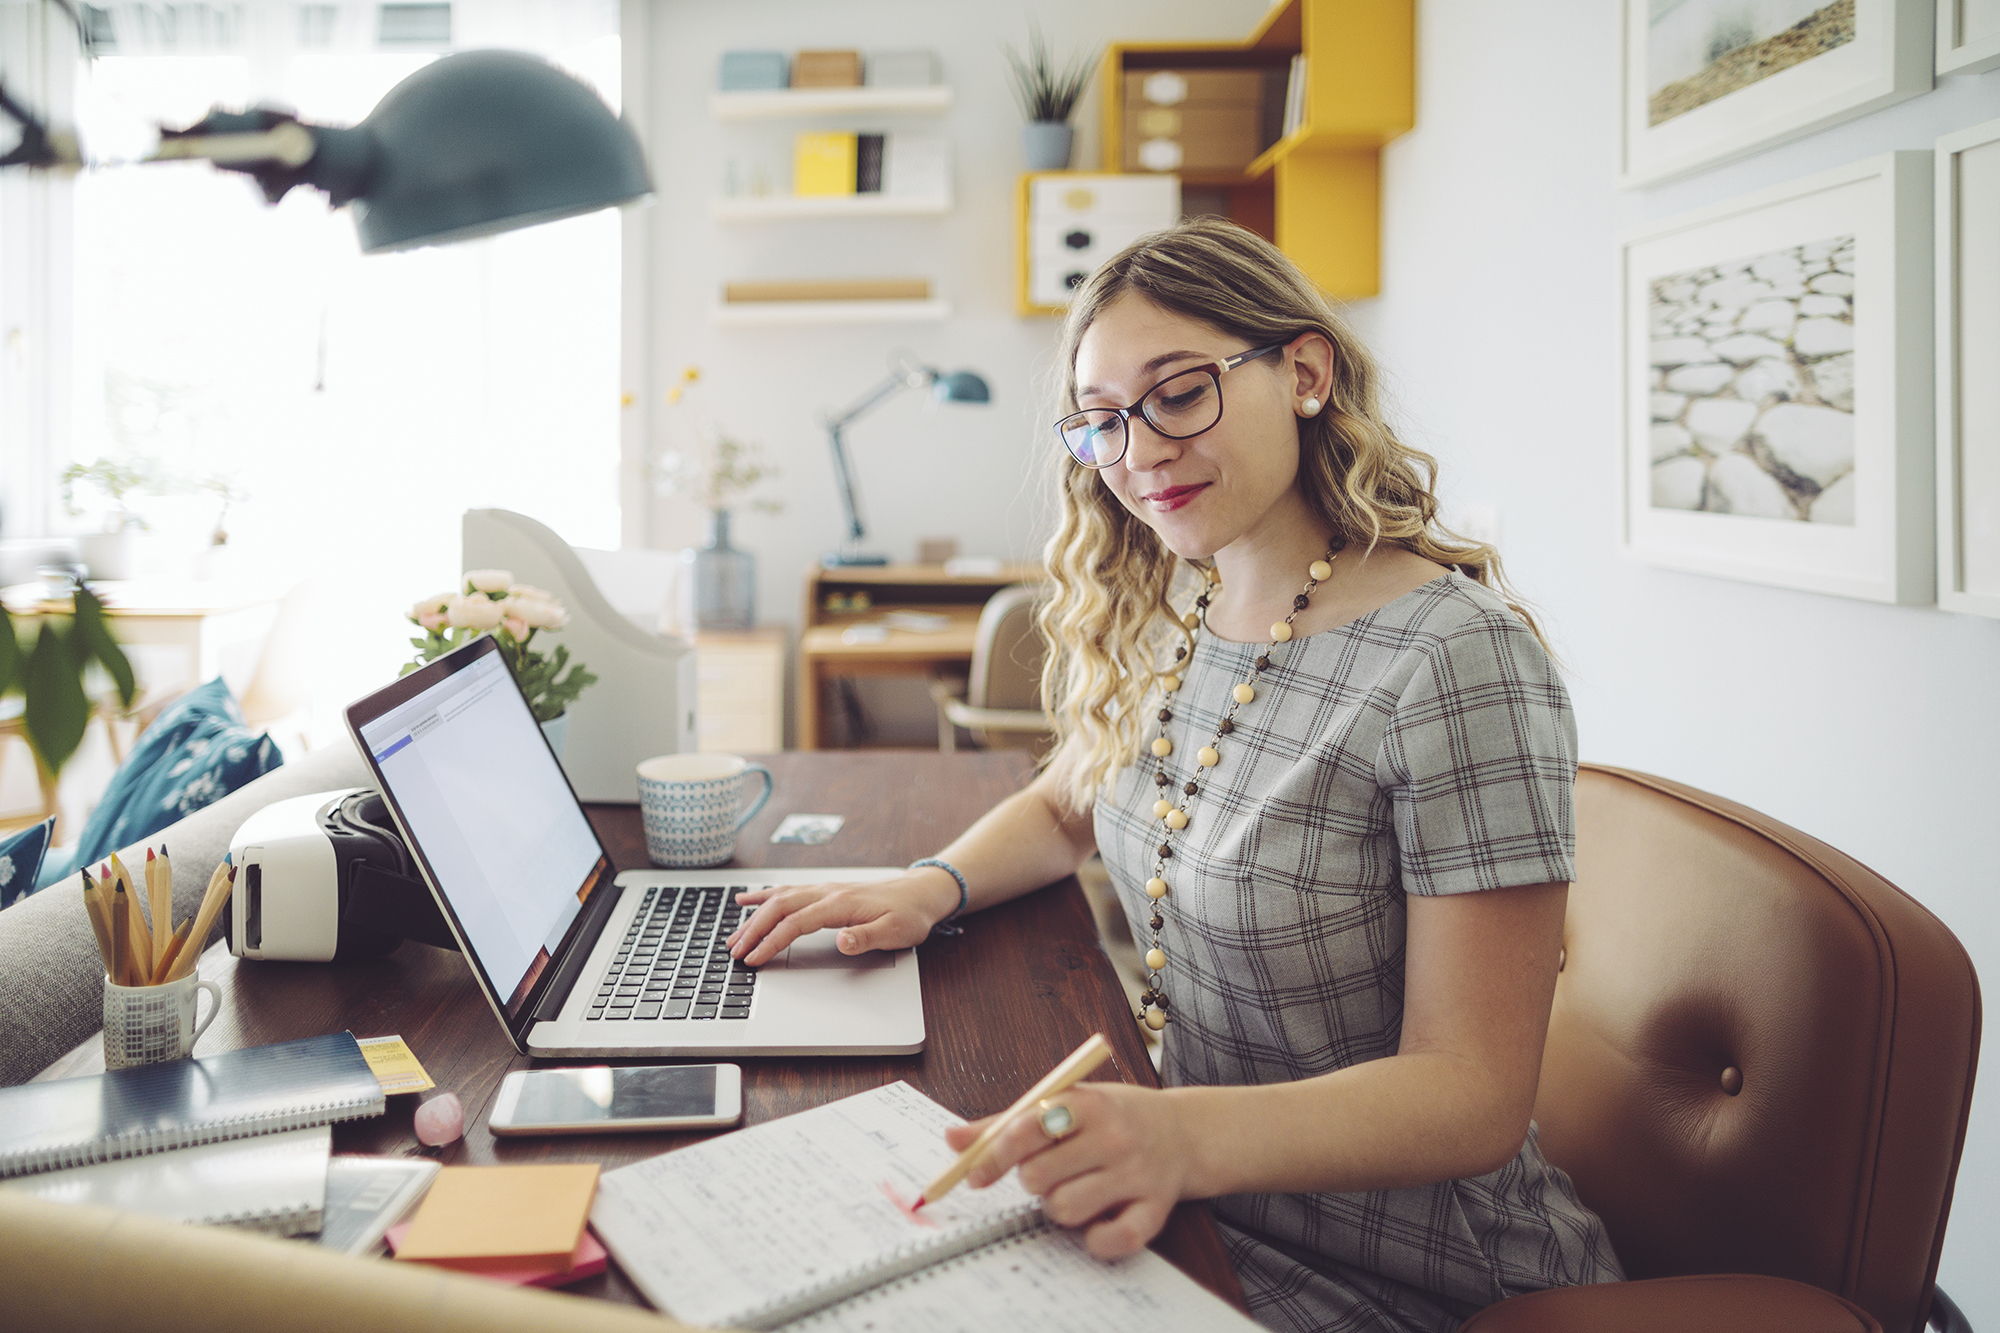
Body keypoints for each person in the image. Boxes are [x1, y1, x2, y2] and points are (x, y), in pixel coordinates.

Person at [728, 217, 1623, 1332]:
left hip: (1411, 1269)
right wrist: (929, 886)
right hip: (1202, 1199)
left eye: (1179, 392)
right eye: (1101, 421)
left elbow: (1471, 1097)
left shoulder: (1455, 659)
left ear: (1302, 372)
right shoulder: (1183, 603)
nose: (1140, 450)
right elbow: (1071, 800)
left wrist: (1176, 1134)